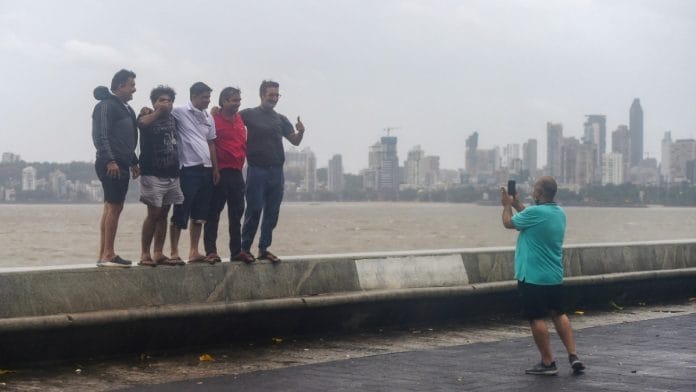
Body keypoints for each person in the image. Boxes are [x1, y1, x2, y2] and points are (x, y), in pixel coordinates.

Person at [501, 176, 586, 375]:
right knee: (559, 313)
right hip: (553, 275)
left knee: (537, 317)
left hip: (532, 276)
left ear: (540, 193)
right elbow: (530, 216)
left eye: (534, 189)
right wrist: (516, 204)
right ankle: (573, 355)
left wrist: (506, 205)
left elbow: (508, 223)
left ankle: (548, 363)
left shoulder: (535, 213)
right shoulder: (558, 213)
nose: (532, 192)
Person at [239, 80, 305, 263]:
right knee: (254, 209)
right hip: (256, 169)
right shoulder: (248, 114)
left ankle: (263, 248)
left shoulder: (281, 119)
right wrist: (216, 112)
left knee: (272, 211)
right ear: (262, 95)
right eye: (271, 95)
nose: (274, 98)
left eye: (277, 95)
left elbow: (295, 141)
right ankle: (244, 249)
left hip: (276, 171)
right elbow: (228, 120)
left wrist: (301, 132)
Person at [91, 69, 139, 268]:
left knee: (112, 206)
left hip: (122, 162)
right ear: (120, 86)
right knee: (114, 207)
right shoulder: (105, 106)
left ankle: (104, 253)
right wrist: (110, 160)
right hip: (112, 163)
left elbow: (127, 139)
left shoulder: (126, 108)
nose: (134, 89)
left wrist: (134, 161)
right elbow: (101, 136)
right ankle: (108, 253)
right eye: (131, 85)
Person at [169, 82, 219, 264]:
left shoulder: (208, 117)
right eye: (205, 97)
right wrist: (146, 110)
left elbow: (211, 142)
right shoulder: (180, 111)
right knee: (181, 211)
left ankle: (194, 251)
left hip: (206, 170)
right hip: (188, 169)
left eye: (209, 97)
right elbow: (164, 109)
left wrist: (215, 168)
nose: (208, 100)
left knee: (200, 215)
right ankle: (174, 252)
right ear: (194, 96)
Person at [136, 85, 185, 267]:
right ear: (154, 102)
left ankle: (158, 252)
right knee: (153, 213)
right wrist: (157, 112)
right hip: (152, 172)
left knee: (164, 213)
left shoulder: (174, 119)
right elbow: (142, 124)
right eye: (162, 100)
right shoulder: (146, 116)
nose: (166, 103)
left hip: (172, 173)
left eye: (169, 100)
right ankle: (144, 254)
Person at [204, 87, 253, 263]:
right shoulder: (213, 119)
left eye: (239, 100)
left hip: (237, 173)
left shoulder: (240, 119)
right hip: (220, 172)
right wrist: (215, 169)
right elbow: (210, 144)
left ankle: (236, 251)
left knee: (237, 213)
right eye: (234, 100)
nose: (237, 103)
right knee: (213, 213)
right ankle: (211, 251)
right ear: (223, 101)